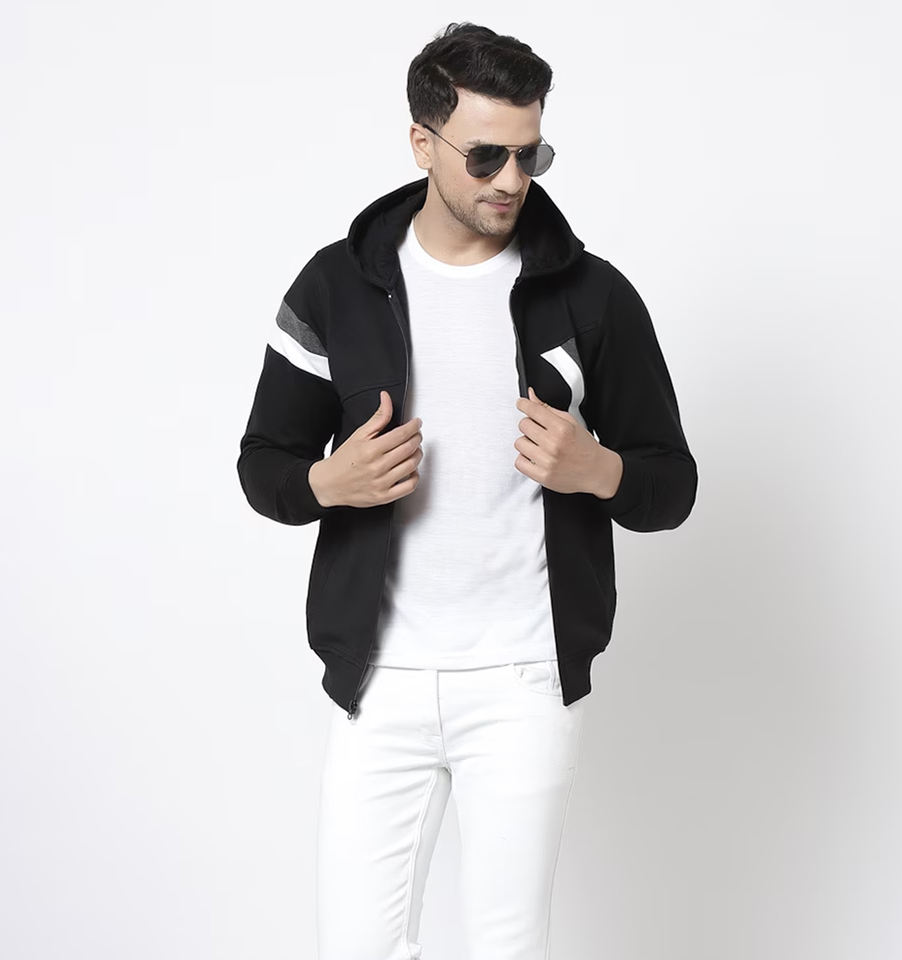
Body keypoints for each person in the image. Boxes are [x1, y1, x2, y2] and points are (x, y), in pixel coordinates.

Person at [237, 21, 697, 960]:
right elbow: (262, 463)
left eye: (531, 154)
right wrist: (327, 481)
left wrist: (597, 470)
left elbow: (672, 484)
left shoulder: (592, 295)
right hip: (380, 680)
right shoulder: (335, 287)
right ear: (423, 141)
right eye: (487, 155)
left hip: (524, 678)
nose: (511, 180)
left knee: (505, 948)